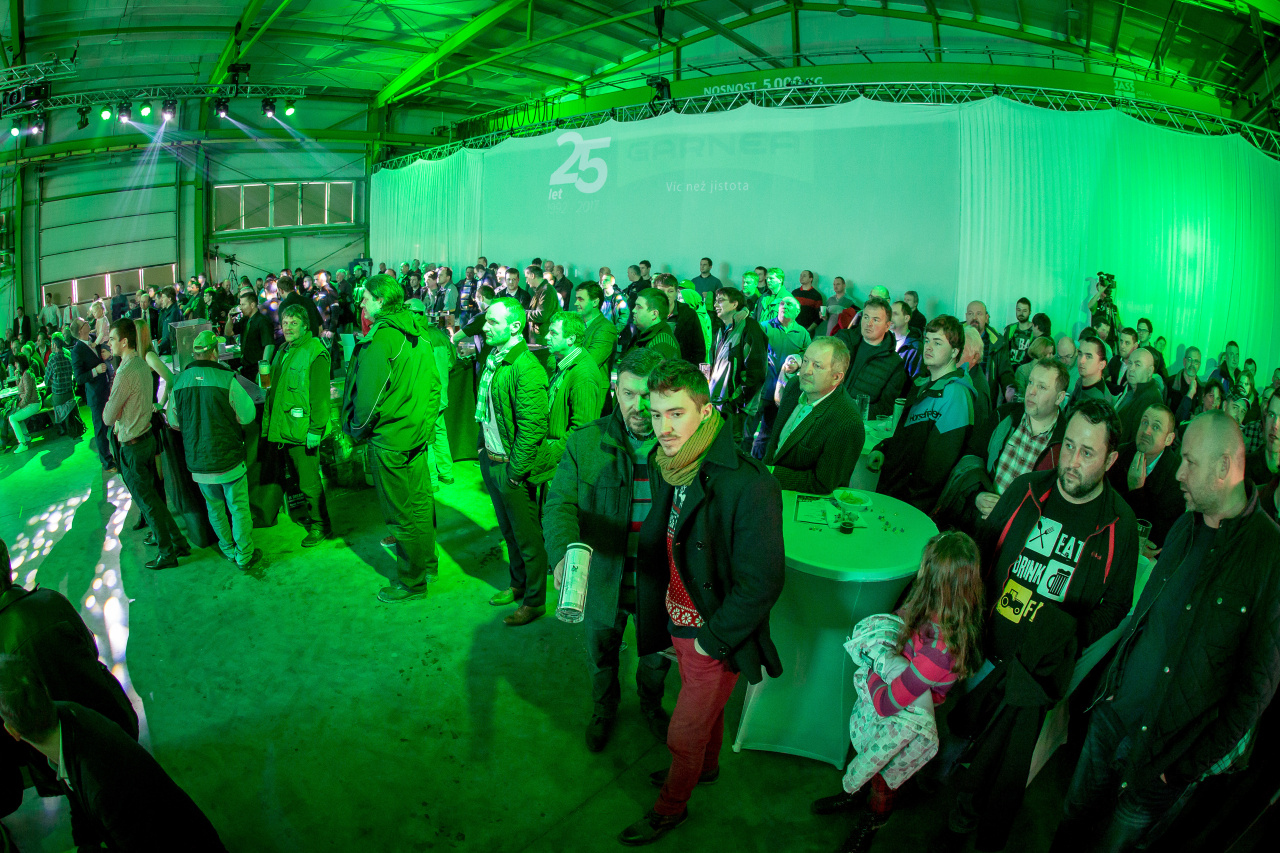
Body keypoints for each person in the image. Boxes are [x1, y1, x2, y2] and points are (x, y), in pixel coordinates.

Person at [1051, 410, 1280, 853]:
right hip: (1112, 718)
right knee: (1072, 821)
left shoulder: (1269, 557)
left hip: (1161, 757)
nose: (1178, 473)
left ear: (1224, 466)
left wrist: (1178, 769)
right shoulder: (1185, 524)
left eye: (1190, 462)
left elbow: (1253, 694)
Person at [941, 399, 1139, 851]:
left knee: (999, 769)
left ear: (1110, 459)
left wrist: (1063, 643)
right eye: (1068, 445)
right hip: (983, 652)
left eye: (1087, 453)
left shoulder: (1120, 525)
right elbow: (982, 551)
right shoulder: (1027, 488)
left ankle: (967, 820)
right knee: (951, 740)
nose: (1072, 461)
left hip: (1035, 677)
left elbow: (1115, 607)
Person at [618, 359, 784, 846]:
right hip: (678, 620)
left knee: (683, 733)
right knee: (702, 716)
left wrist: (712, 641)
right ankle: (704, 769)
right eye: (656, 415)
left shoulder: (750, 484)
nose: (663, 428)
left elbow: (762, 582)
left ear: (706, 412)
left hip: (713, 634)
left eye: (677, 414)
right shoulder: (673, 463)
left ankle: (671, 808)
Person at [811, 532, 985, 853]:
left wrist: (871, 665)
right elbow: (903, 616)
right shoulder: (940, 605)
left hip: (907, 718)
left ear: (935, 579)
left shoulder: (940, 650)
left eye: (925, 566)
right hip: (900, 687)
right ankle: (853, 794)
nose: (919, 571)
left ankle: (869, 826)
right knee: (866, 752)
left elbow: (886, 704)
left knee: (884, 778)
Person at [543, 348, 673, 753]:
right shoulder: (585, 443)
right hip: (601, 579)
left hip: (659, 582)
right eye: (629, 394)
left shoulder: (681, 447)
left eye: (649, 395)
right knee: (600, 651)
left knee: (657, 655)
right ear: (615, 390)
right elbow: (559, 504)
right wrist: (562, 554)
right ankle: (604, 707)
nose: (639, 406)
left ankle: (651, 703)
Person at [0, 655, 228, 852]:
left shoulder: (101, 783)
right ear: (44, 691)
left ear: (12, 731)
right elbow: (78, 800)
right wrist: (85, 846)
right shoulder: (67, 716)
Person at [0, 540, 139, 829]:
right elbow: (90, 649)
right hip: (106, 718)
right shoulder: (50, 600)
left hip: (58, 750)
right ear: (8, 567)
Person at [344, 276, 442, 602]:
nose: (361, 303)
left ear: (381, 300)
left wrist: (357, 430)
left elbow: (367, 401)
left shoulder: (382, 339)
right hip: (415, 436)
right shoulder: (419, 333)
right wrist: (424, 427)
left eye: (366, 298)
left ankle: (412, 583)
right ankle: (427, 565)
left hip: (390, 440)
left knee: (400, 514)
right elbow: (434, 387)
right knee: (420, 505)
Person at [473, 297, 551, 624]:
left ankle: (535, 600)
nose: (485, 327)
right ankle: (518, 584)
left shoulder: (526, 368)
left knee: (527, 538)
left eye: (493, 321)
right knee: (509, 533)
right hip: (492, 460)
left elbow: (532, 429)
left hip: (510, 467)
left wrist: (515, 474)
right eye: (486, 320)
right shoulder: (495, 358)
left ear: (515, 326)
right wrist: (483, 452)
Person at [937, 357, 1069, 530]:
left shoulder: (1065, 444)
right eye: (1030, 382)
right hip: (979, 521)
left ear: (1059, 397)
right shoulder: (1003, 417)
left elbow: (1057, 505)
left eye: (1042, 387)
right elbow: (971, 458)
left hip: (1019, 533)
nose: (1031, 391)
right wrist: (977, 495)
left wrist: (1013, 515)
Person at [167, 331, 262, 571]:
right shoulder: (227, 378)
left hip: (199, 462)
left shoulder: (179, 382)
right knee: (238, 507)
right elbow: (248, 415)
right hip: (229, 460)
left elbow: (174, 421)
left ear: (194, 354)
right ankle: (244, 554)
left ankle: (227, 549)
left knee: (214, 507)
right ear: (214, 352)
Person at [103, 319, 191, 570]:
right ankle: (179, 542)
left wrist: (116, 409)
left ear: (124, 342)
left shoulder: (125, 372)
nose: (109, 343)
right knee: (154, 500)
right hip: (146, 438)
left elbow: (108, 417)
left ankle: (167, 552)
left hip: (132, 445)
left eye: (112, 339)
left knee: (148, 504)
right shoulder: (142, 363)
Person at [870, 316, 976, 513]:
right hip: (893, 495)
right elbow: (908, 438)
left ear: (955, 351)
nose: (928, 347)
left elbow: (936, 469)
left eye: (938, 343)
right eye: (927, 340)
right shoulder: (923, 384)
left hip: (910, 507)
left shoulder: (955, 395)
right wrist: (883, 448)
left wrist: (908, 508)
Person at [264, 304, 332, 548]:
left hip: (303, 430)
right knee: (298, 478)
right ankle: (313, 518)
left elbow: (320, 396)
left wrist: (315, 430)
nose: (288, 327)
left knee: (309, 481)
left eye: (294, 323)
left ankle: (321, 525)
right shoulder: (284, 349)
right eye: (285, 323)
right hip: (287, 427)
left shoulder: (315, 351)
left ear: (305, 326)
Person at [764, 337, 863, 494]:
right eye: (805, 361)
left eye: (817, 366)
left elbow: (823, 483)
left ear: (836, 377)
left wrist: (770, 472)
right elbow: (775, 443)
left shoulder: (847, 422)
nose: (805, 371)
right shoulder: (794, 386)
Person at [529, 313, 608, 492]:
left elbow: (581, 429)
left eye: (553, 333)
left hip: (562, 464)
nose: (547, 337)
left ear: (571, 339)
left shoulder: (583, 375)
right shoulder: (566, 363)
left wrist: (550, 456)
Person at [1107, 403, 1184, 555]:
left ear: (1169, 439)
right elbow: (1106, 505)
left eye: (1155, 427)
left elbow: (1156, 540)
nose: (1146, 431)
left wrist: (1137, 491)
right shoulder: (1121, 454)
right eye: (1144, 422)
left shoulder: (1176, 479)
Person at [406, 299, 456, 490]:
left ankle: (432, 480)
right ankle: (447, 473)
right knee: (440, 431)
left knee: (427, 436)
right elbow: (451, 362)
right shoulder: (439, 335)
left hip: (427, 397)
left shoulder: (417, 336)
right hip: (441, 395)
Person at [708, 287, 767, 452]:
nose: (715, 305)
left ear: (735, 304)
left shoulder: (750, 328)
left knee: (733, 452)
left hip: (735, 408)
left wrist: (736, 402)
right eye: (715, 301)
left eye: (721, 301)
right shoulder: (723, 328)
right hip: (720, 403)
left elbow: (756, 372)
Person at [835, 296, 908, 420]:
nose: (868, 324)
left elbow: (885, 407)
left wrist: (850, 412)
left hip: (856, 421)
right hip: (824, 410)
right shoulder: (843, 340)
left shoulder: (895, 364)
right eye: (866, 317)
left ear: (887, 326)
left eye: (876, 320)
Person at [70, 319, 115, 471]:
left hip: (109, 387)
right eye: (84, 324)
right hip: (96, 394)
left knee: (114, 422)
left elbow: (106, 353)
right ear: (80, 331)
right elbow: (79, 378)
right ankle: (107, 462)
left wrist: (109, 355)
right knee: (101, 429)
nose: (88, 324)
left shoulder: (95, 338)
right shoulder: (77, 351)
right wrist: (95, 371)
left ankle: (118, 454)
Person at [965, 301, 1014, 407]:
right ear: (966, 316)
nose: (974, 318)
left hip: (984, 399)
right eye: (970, 313)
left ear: (986, 318)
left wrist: (1011, 395)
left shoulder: (998, 343)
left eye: (979, 314)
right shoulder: (955, 337)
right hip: (959, 396)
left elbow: (1005, 374)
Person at [1114, 347, 1162, 446]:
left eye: (1137, 364)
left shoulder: (1150, 399)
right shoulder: (1131, 391)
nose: (1131, 368)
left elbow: (1135, 442)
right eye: (1130, 363)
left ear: (1150, 371)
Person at [653, 274, 704, 365]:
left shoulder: (688, 314)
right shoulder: (649, 312)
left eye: (670, 291)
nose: (666, 295)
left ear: (676, 292)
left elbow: (699, 348)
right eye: (661, 291)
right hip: (654, 367)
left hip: (681, 367)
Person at [225, 290, 275, 382]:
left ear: (252, 305)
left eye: (243, 305)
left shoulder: (263, 321)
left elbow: (269, 345)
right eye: (240, 305)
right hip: (245, 367)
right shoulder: (245, 320)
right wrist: (229, 320)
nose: (241, 308)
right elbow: (229, 333)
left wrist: (263, 370)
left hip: (256, 368)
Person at [624, 289, 680, 361]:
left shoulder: (661, 344)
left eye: (639, 307)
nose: (633, 310)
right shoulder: (643, 335)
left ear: (654, 314)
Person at [573, 282, 619, 370]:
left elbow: (589, 363)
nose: (576, 303)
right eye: (576, 299)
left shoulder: (606, 329)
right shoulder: (578, 324)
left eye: (581, 299)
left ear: (595, 302)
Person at [1069, 332, 1114, 409]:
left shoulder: (1099, 401)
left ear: (1101, 365)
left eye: (1088, 356)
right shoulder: (1080, 382)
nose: (1081, 360)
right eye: (1080, 354)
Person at [6, 355, 39, 453]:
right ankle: (26, 437)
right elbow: (21, 390)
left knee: (12, 418)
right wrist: (17, 377)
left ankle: (22, 443)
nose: (15, 365)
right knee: (15, 416)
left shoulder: (27, 374)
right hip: (31, 403)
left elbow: (27, 394)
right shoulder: (25, 374)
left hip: (33, 404)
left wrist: (20, 406)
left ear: (21, 363)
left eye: (16, 363)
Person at [524, 264, 559, 345]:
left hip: (543, 339)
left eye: (526, 277)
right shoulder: (541, 290)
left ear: (532, 275)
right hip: (539, 338)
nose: (526, 281)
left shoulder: (547, 290)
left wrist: (522, 313)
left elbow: (542, 315)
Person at [890, 300, 923, 379]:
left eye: (895, 314)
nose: (890, 317)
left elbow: (914, 381)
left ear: (906, 318)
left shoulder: (915, 347)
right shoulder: (887, 340)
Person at [1107, 327, 1140, 395]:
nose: (1122, 346)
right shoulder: (1114, 360)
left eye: (1127, 343)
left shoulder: (1137, 368)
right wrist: (1120, 388)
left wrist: (1111, 385)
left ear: (1135, 346)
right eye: (1121, 341)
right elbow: (1104, 382)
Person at [1004, 297, 1035, 367]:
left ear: (1030, 312)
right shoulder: (1010, 329)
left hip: (1027, 370)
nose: (1021, 313)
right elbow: (1003, 352)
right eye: (1019, 310)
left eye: (1024, 311)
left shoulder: (1034, 330)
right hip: (1010, 369)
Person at [153, 286, 184, 356]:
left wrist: (160, 348)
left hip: (170, 351)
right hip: (167, 349)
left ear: (169, 298)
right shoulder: (166, 312)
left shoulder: (174, 313)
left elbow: (170, 334)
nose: (161, 300)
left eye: (163, 297)